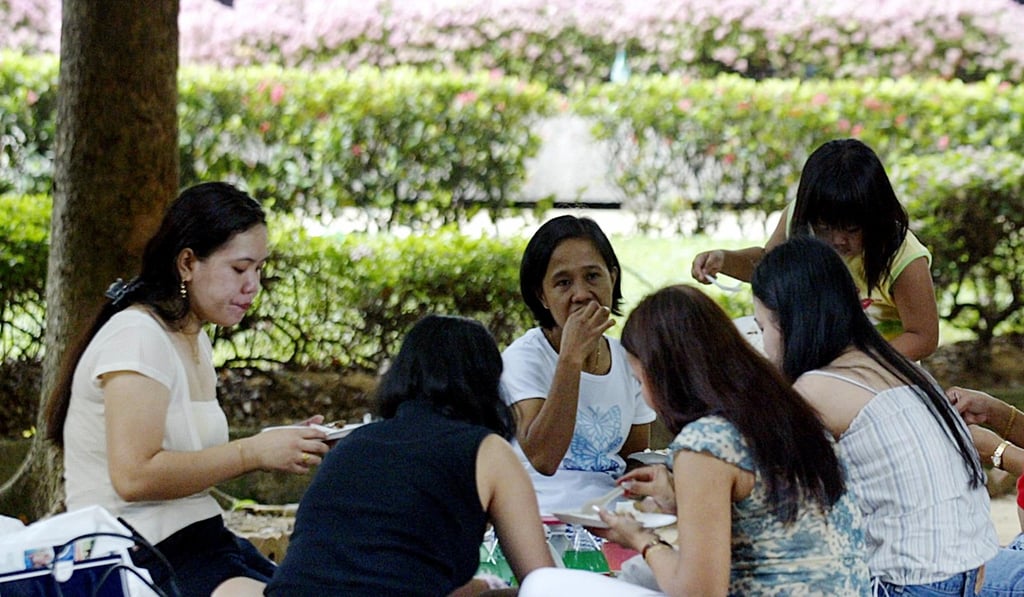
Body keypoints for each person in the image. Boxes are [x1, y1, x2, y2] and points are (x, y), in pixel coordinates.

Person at [44, 182, 332, 596]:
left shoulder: (193, 338)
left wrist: (277, 444)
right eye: (239, 269)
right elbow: (134, 477)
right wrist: (253, 452)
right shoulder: (136, 335)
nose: (253, 286)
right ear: (187, 263)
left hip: (202, 540)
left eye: (259, 270)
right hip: (138, 554)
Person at [520, 285, 870, 596]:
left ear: (666, 375)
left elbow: (699, 591)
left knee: (543, 584)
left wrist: (640, 539)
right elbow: (767, 517)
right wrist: (676, 497)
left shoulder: (705, 442)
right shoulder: (787, 413)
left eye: (640, 380)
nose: (643, 393)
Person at [751, 235, 998, 594]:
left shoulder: (817, 388)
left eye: (762, 329)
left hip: (912, 581)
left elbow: (767, 489)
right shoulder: (894, 362)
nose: (763, 344)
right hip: (970, 569)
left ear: (791, 323)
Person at [258, 315, 553, 596]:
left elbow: (373, 572)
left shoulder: (353, 443)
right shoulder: (488, 451)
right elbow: (544, 584)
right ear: (490, 382)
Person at [692, 138, 939, 361]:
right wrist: (724, 261)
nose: (838, 240)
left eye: (852, 229)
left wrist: (860, 364)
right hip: (818, 358)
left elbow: (922, 337)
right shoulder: (800, 221)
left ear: (876, 217)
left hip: (882, 368)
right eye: (825, 227)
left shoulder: (901, 256)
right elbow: (770, 265)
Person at [500, 215, 656, 514]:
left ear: (612, 277)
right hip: (543, 516)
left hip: (611, 518)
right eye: (563, 283)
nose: (581, 294)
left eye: (593, 276)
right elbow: (544, 458)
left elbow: (632, 456)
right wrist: (571, 358)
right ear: (541, 295)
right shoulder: (524, 359)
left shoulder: (628, 358)